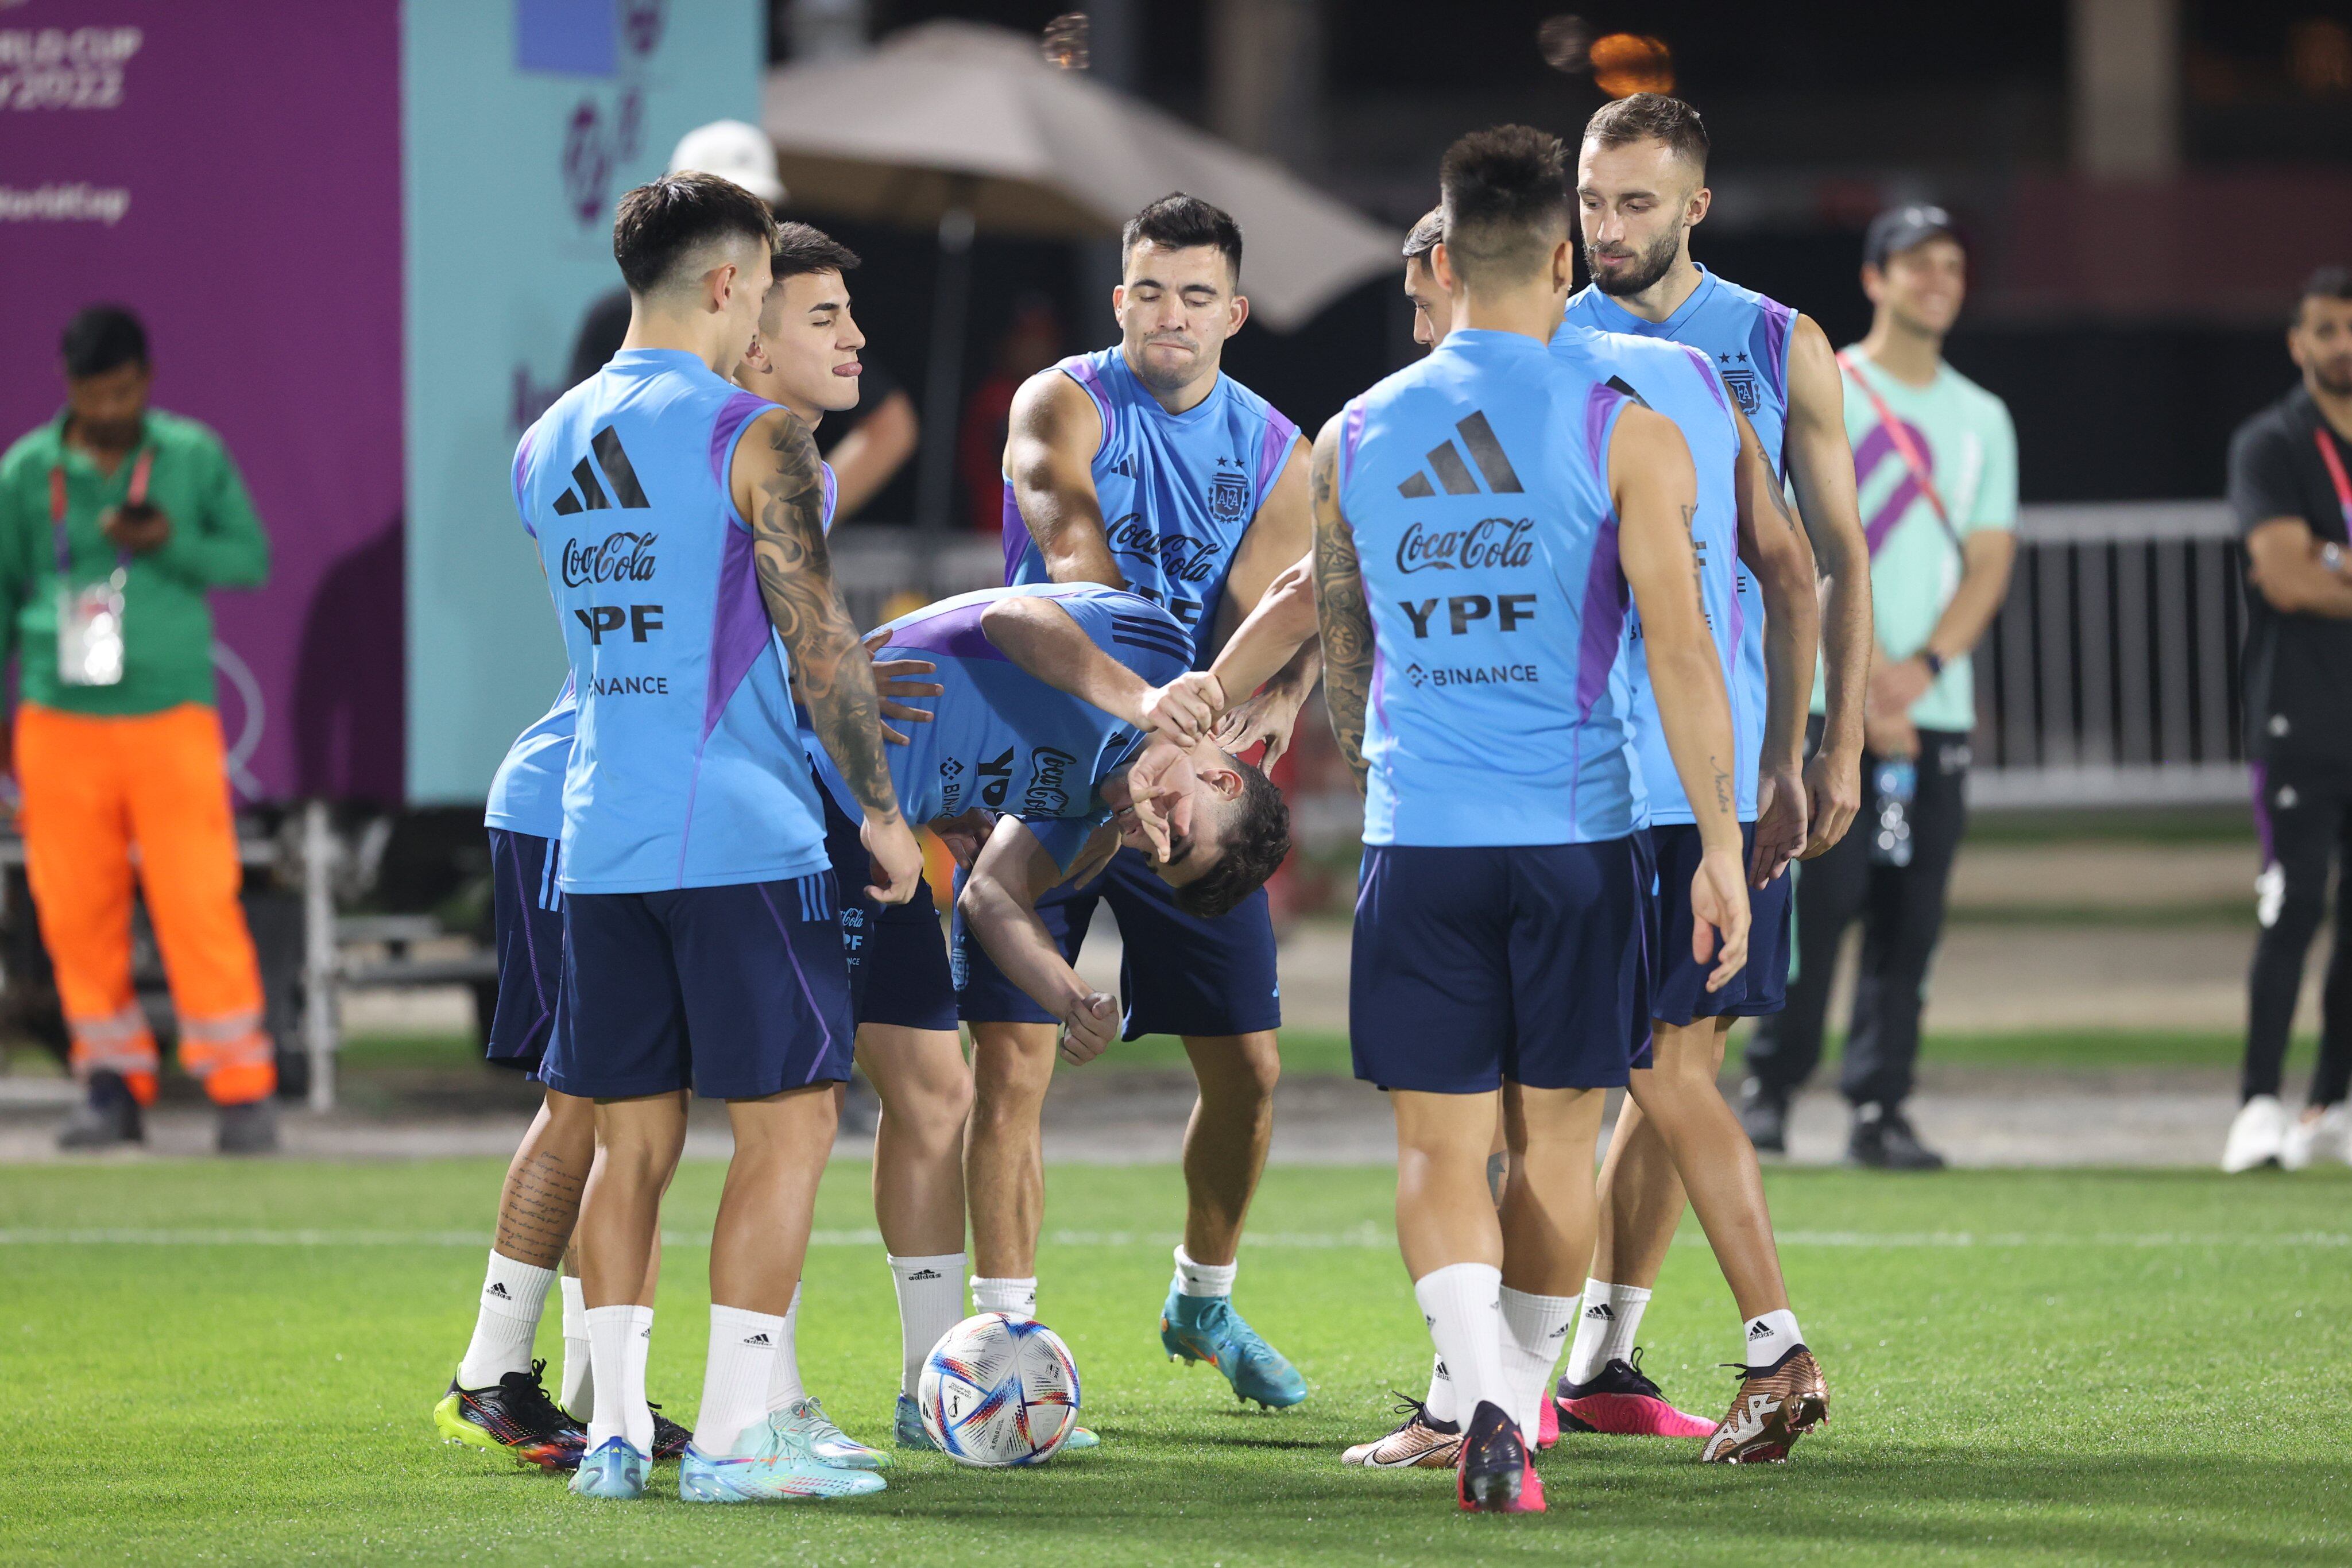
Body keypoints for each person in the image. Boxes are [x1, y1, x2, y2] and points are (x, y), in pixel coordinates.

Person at [1314, 123, 1762, 1512]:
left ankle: (1488, 1402)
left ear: (1439, 261)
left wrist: (1377, 770)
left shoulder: (1357, 431)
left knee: (1436, 1148)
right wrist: (1723, 847)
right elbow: (1682, 652)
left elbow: (1342, 643)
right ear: (1564, 261)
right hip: (1576, 840)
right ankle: (1519, 1391)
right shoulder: (1623, 427)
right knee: (1558, 1143)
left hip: (1421, 839)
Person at [432, 222, 889, 1477]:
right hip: (734, 830)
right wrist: (885, 816)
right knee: (788, 1129)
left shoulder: (545, 441)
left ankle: (616, 1430)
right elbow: (814, 644)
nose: (838, 335)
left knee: (620, 1139)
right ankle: (743, 1430)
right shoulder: (758, 440)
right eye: (811, 310)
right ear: (734, 287)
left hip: (597, 834)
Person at [963, 192, 1316, 1415]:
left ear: (1236, 311)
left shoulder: (1280, 447)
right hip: (1057, 750)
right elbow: (1067, 559)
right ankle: (1004, 1349)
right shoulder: (1060, 399)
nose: (1169, 315)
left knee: (1253, 1072)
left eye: (1195, 295)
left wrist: (1265, 712)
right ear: (1119, 299)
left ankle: (1201, 1299)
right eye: (1148, 292)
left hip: (1184, 767)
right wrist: (1139, 705)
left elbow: (1289, 607)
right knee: (1009, 1065)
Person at [1740, 204, 2017, 1170]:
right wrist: (1863, 696)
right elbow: (1811, 546)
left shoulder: (1984, 417)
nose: (1935, 279)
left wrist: (1922, 673)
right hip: (1827, 706)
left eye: (1951, 263)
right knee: (1815, 904)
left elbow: (1987, 561)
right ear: (1875, 279)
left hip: (1931, 712)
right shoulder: (1830, 386)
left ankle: (1879, 1104)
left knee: (1911, 916)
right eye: (1914, 263)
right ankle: (1770, 1085)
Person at [0, 305, 278, 1154]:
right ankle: (111, 1084)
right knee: (77, 912)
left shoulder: (189, 456)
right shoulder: (25, 473)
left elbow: (250, 559)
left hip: (169, 716)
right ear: (69, 384)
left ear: (147, 381)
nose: (110, 407)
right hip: (58, 719)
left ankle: (241, 1093)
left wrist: (169, 541)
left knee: (198, 899)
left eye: (122, 391)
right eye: (94, 392)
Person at [566, 121, 919, 522]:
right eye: (719, 211)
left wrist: (791, 514)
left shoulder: (782, 309)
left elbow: (891, 424)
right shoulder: (616, 322)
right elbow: (588, 458)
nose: (743, 232)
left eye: (758, 210)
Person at [2222, 266, 2352, 1172]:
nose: (2341, 342)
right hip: (2299, 714)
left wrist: (2334, 558)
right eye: (2325, 329)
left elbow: (2321, 569)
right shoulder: (2271, 442)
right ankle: (2258, 1104)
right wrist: (2318, 562)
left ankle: (2332, 1104)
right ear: (2298, 343)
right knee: (2292, 904)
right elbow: (2287, 576)